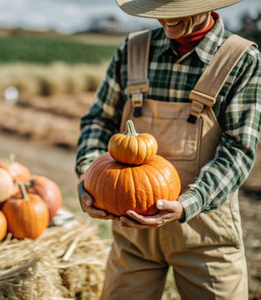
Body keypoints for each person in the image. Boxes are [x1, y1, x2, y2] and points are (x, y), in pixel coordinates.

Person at [76, 0, 261, 299]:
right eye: (158, 7)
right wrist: (89, 178)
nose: (165, 19)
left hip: (205, 235)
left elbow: (238, 149)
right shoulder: (132, 50)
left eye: (175, 9)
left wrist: (188, 203)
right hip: (132, 236)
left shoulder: (241, 59)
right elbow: (99, 120)